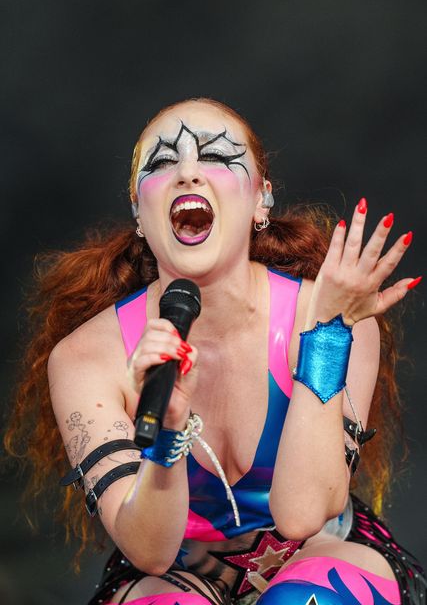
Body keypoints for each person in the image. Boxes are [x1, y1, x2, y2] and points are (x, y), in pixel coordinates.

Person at [4, 98, 426, 605]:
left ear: (260, 200)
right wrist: (167, 436)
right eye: (162, 164)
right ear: (139, 209)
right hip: (175, 573)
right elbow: (150, 552)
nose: (187, 174)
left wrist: (327, 336)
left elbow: (301, 515)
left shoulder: (334, 314)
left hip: (319, 552)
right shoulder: (86, 358)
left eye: (218, 158)